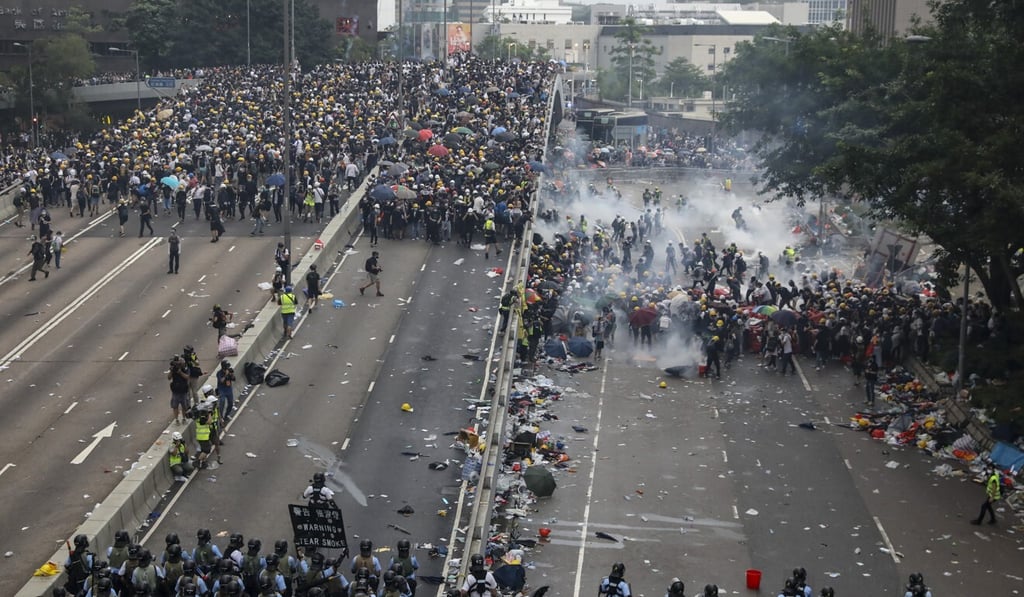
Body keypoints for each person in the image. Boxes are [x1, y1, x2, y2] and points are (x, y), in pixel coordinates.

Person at [168, 354, 191, 424]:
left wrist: (180, 372)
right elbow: (169, 377)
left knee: (184, 406)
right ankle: (176, 419)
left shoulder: (185, 369)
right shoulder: (173, 369)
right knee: (175, 406)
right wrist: (172, 371)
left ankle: (184, 418)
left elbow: (187, 377)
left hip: (183, 390)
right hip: (175, 391)